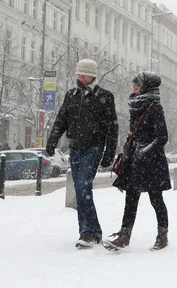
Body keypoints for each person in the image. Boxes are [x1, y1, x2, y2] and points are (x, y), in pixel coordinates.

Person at [46, 59, 118, 248]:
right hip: (75, 148)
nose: (80, 77)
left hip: (93, 148)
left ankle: (88, 233)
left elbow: (112, 127)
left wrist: (109, 153)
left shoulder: (105, 97)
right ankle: (90, 231)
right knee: (80, 190)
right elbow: (61, 119)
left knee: (84, 186)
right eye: (79, 74)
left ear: (92, 75)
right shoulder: (72, 95)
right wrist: (52, 140)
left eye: (84, 74)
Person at [106, 71, 171, 251]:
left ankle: (162, 235)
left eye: (138, 84)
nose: (134, 87)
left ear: (147, 87)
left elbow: (162, 137)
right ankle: (124, 235)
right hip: (136, 159)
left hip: (152, 162)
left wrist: (145, 151)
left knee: (156, 199)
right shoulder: (136, 105)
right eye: (134, 84)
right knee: (131, 198)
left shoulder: (154, 107)